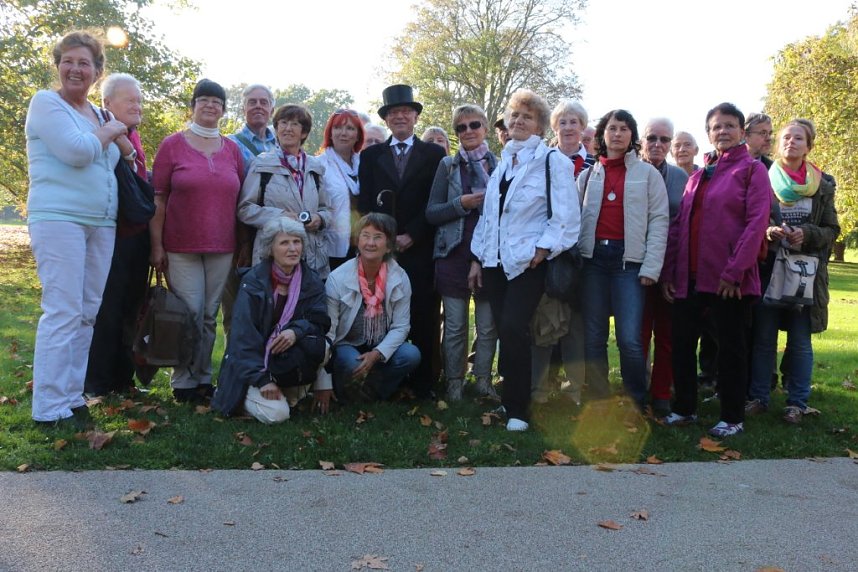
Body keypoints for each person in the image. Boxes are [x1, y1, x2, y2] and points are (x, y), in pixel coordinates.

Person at [26, 31, 131, 424]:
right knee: (63, 311)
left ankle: (71, 396)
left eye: (84, 62)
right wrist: (110, 132)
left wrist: (112, 129)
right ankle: (48, 406)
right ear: (58, 66)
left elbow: (127, 158)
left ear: (97, 71)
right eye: (68, 61)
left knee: (87, 312)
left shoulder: (98, 114)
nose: (75, 68)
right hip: (59, 219)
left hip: (101, 222)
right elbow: (76, 152)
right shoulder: (46, 104)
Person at [470, 89, 580, 431]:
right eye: (514, 115)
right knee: (506, 331)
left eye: (527, 117)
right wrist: (478, 257)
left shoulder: (552, 161)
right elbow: (489, 217)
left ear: (540, 127)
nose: (518, 121)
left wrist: (543, 249)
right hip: (494, 263)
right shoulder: (504, 164)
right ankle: (511, 401)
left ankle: (520, 410)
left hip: (527, 264)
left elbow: (566, 216)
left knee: (516, 329)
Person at [661, 102, 771, 437]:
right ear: (708, 134)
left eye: (729, 125)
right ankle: (684, 410)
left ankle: (731, 416)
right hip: (688, 279)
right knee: (681, 345)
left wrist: (734, 272)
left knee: (731, 349)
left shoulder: (753, 171)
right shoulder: (698, 175)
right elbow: (679, 226)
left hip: (728, 281)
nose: (722, 131)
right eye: (715, 127)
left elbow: (756, 225)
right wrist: (669, 273)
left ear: (741, 131)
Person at [150, 78, 244, 403]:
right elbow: (158, 198)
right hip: (180, 246)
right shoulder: (172, 145)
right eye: (203, 100)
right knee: (188, 312)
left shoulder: (232, 150)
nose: (210, 105)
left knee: (209, 315)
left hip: (222, 246)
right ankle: (182, 382)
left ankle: (203, 379)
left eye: (217, 102)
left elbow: (240, 199)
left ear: (223, 110)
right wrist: (156, 245)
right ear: (193, 106)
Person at [748, 119, 839, 423]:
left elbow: (831, 229)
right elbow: (750, 221)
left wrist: (807, 233)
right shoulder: (761, 177)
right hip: (769, 269)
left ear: (808, 145)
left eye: (798, 138)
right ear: (778, 143)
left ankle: (796, 403)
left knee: (800, 341)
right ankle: (759, 397)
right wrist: (768, 231)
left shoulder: (823, 184)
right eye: (786, 137)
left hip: (805, 274)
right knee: (764, 339)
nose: (791, 142)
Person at [576, 110, 669, 411]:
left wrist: (651, 267)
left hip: (629, 264)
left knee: (629, 339)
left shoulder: (647, 174)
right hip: (593, 263)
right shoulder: (588, 175)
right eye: (612, 128)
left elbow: (659, 221)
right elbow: (573, 219)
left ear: (632, 136)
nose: (617, 134)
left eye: (624, 129)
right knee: (594, 337)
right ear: (603, 134)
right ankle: (599, 400)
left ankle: (635, 401)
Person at [358, 84, 446, 398]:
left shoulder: (434, 154)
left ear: (415, 117)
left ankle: (424, 382)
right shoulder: (370, 156)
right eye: (393, 113)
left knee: (423, 313)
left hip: (420, 248)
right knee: (381, 312)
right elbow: (366, 202)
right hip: (382, 250)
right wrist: (382, 238)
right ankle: (381, 380)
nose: (400, 117)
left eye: (405, 112)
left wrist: (414, 233)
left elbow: (436, 199)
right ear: (387, 119)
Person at [212, 217, 331, 422]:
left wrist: (296, 331)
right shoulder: (254, 282)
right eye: (284, 243)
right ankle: (240, 396)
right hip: (253, 364)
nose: (293, 248)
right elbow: (243, 338)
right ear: (270, 249)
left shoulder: (311, 280)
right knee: (278, 415)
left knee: (325, 346)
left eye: (297, 241)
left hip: (284, 356)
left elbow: (319, 321)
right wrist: (262, 379)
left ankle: (287, 392)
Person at [426, 104, 499, 401]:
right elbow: (431, 212)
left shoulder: (500, 165)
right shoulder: (447, 166)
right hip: (452, 254)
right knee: (455, 325)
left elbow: (504, 216)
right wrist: (462, 204)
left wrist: (480, 259)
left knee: (487, 325)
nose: (468, 131)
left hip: (489, 256)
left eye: (474, 125)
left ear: (484, 127)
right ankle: (454, 382)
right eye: (461, 127)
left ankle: (482, 380)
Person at [85, 72, 151, 397]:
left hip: (135, 238)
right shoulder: (102, 132)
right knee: (107, 311)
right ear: (108, 103)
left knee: (129, 309)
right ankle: (97, 383)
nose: (137, 105)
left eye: (139, 99)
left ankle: (123, 381)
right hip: (110, 236)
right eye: (130, 99)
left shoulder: (133, 135)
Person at [530, 100, 594, 405]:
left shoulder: (595, 166)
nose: (568, 128)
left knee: (575, 325)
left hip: (581, 257)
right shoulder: (543, 163)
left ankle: (575, 389)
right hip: (547, 253)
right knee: (546, 321)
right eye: (563, 122)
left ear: (583, 128)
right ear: (554, 128)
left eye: (574, 122)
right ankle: (540, 388)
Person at [326, 213, 421, 403]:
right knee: (351, 362)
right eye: (365, 235)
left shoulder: (400, 277)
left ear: (388, 245)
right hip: (347, 343)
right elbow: (328, 331)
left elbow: (401, 326)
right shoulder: (337, 278)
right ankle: (347, 395)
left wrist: (377, 354)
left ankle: (374, 394)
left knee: (411, 355)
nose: (370, 243)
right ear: (357, 241)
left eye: (378, 237)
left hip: (381, 343)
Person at [237, 104, 332, 278]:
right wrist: (279, 216)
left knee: (308, 304)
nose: (288, 128)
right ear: (276, 128)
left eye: (295, 124)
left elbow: (327, 210)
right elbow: (245, 209)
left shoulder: (316, 167)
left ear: (304, 132)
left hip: (312, 258)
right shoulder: (262, 164)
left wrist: (319, 219)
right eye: (283, 123)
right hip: (273, 256)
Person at [639, 118, 688, 415]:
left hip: (668, 270)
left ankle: (661, 394)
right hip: (635, 269)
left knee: (667, 335)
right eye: (652, 138)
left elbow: (682, 230)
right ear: (642, 140)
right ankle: (636, 391)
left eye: (664, 139)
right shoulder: (633, 173)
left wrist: (670, 273)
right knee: (637, 335)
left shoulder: (681, 179)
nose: (658, 144)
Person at [222, 84, 278, 336]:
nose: (258, 106)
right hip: (239, 236)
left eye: (263, 102)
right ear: (243, 107)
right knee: (237, 307)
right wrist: (243, 241)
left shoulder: (284, 142)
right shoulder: (230, 144)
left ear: (271, 109)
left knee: (274, 308)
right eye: (252, 102)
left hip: (278, 235)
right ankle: (235, 370)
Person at [318, 109, 364, 270]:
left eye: (350, 128)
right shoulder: (319, 165)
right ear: (330, 133)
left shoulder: (365, 163)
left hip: (363, 244)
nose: (343, 133)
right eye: (337, 128)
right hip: (332, 246)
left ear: (358, 135)